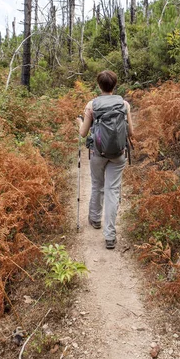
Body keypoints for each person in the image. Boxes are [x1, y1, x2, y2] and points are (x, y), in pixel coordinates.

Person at [76, 70, 134, 250]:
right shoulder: (124, 104)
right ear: (114, 85)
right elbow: (131, 133)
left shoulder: (91, 105)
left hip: (97, 154)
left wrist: (79, 122)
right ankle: (110, 236)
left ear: (99, 85)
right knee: (112, 191)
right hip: (118, 154)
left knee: (97, 186)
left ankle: (95, 219)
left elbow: (83, 133)